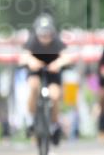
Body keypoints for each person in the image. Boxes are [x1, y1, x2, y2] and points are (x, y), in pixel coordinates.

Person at [20, 14, 72, 145]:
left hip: (52, 72)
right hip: (36, 71)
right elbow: (23, 56)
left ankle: (54, 126)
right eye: (42, 34)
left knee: (54, 96)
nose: (45, 37)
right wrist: (32, 61)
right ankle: (31, 120)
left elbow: (66, 57)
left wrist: (57, 64)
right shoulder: (32, 41)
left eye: (48, 34)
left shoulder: (57, 42)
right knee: (33, 86)